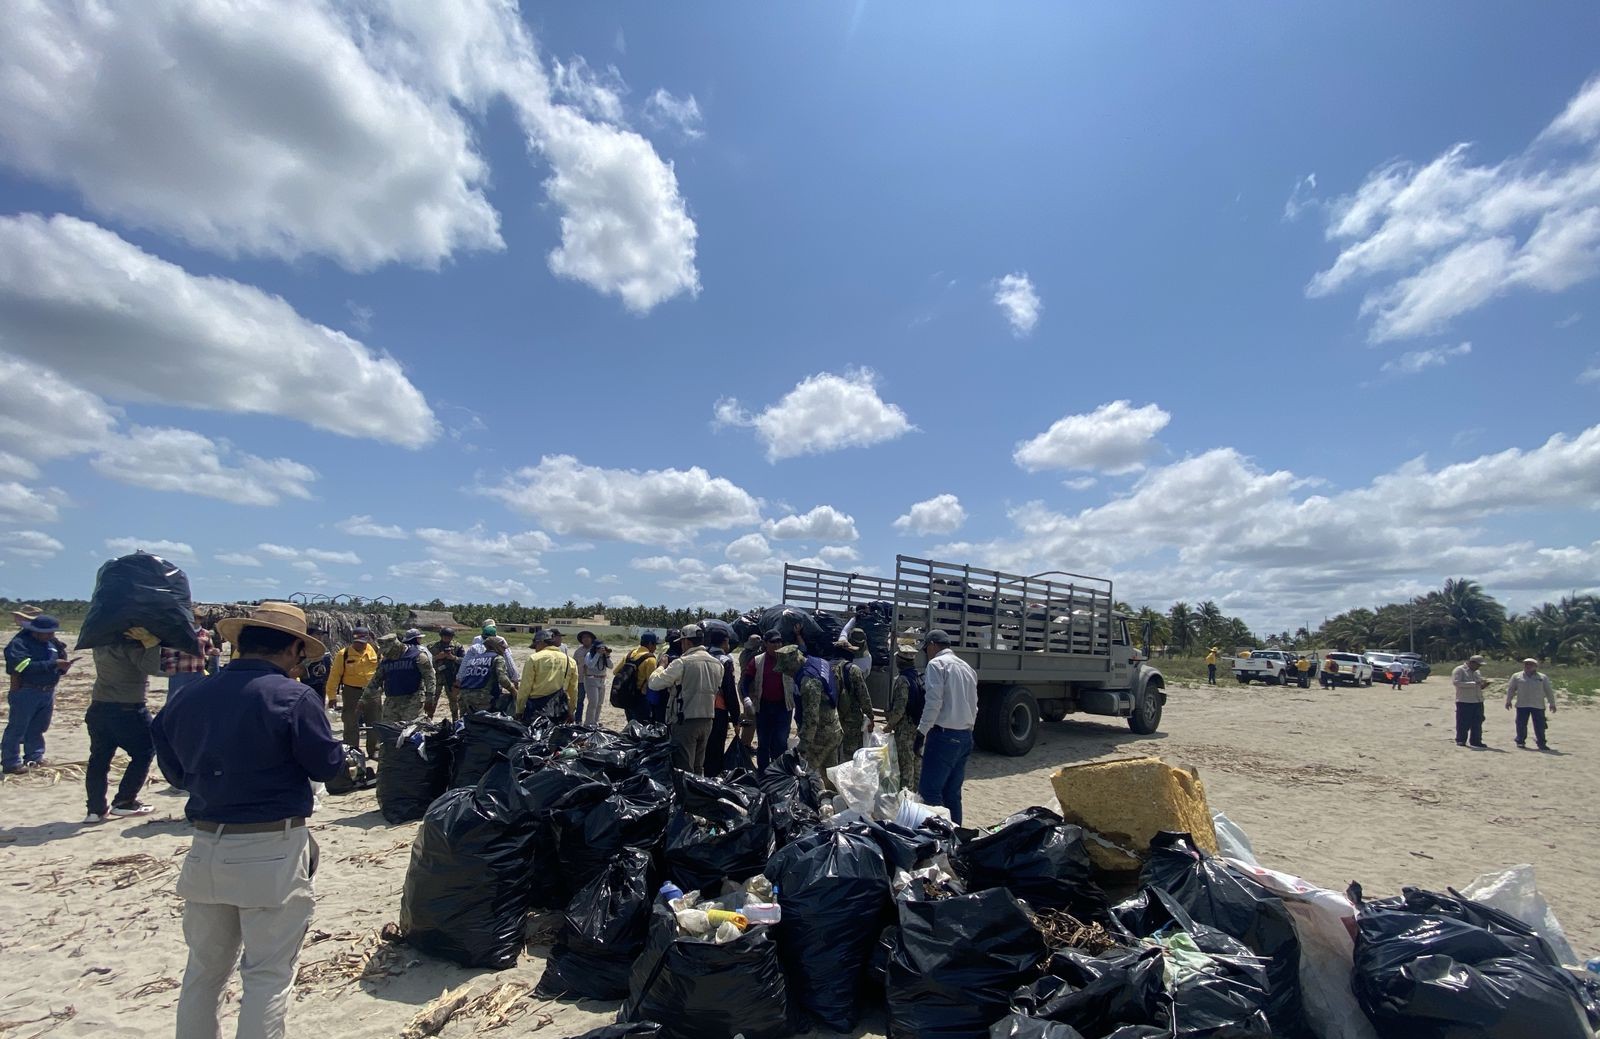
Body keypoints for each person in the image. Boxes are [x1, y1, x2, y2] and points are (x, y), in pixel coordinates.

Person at [150, 601, 344, 1039]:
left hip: (206, 846)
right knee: (267, 974)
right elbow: (327, 767)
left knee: (203, 971)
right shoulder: (294, 698)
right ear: (295, 647)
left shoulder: (189, 695)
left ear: (240, 643)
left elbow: (176, 770)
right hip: (271, 848)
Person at [84, 625, 165, 822]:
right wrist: (152, 645)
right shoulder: (131, 648)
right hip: (128, 708)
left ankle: (95, 809)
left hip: (99, 707)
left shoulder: (100, 646)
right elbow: (151, 668)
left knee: (99, 759)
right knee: (144, 752)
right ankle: (125, 801)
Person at [917, 630, 978, 824]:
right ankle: (957, 838)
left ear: (933, 645)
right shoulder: (967, 667)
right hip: (965, 736)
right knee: (952, 794)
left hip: (943, 736)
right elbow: (974, 704)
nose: (926, 653)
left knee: (930, 791)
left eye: (926, 649)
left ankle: (940, 840)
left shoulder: (936, 664)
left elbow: (934, 701)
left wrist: (921, 732)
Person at [647, 624, 724, 774]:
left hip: (686, 720)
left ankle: (686, 797)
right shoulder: (717, 664)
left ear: (687, 642)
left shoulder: (682, 662)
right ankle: (697, 795)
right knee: (698, 766)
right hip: (707, 719)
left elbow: (654, 683)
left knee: (684, 767)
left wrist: (661, 666)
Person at [3, 614, 72, 774]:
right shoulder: (19, 643)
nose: (51, 636)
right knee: (17, 728)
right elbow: (19, 667)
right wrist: (51, 664)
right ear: (35, 631)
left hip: (47, 691)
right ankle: (11, 762)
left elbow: (60, 658)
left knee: (38, 727)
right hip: (26, 691)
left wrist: (62, 668)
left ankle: (34, 758)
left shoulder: (52, 643)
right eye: (47, 633)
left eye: (53, 633)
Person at [775, 643, 841, 776]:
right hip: (833, 727)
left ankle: (818, 795)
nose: (787, 673)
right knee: (830, 772)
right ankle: (830, 795)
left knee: (807, 776)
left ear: (794, 664)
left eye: (787, 670)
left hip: (820, 738)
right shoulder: (819, 662)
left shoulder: (809, 682)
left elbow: (811, 720)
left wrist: (802, 750)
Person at [363, 630, 435, 741]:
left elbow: (430, 677)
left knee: (410, 731)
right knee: (388, 732)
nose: (386, 654)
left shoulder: (418, 656)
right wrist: (363, 700)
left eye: (388, 651)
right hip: (392, 701)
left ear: (397, 646)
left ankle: (410, 756)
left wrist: (429, 697)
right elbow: (375, 681)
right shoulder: (386, 661)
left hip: (412, 700)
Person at [745, 631, 796, 769]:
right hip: (764, 707)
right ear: (766, 643)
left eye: (779, 641)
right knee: (763, 741)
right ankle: (763, 772)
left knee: (780, 741)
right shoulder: (757, 661)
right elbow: (746, 681)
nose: (777, 645)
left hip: (783, 706)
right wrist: (746, 698)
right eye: (773, 642)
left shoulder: (788, 659)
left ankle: (779, 772)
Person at [325, 627, 379, 751]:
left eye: (362, 642)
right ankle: (352, 750)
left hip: (373, 691)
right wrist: (332, 697)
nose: (359, 645)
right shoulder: (344, 654)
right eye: (357, 642)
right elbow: (334, 677)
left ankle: (373, 749)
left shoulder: (375, 651)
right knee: (350, 722)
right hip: (351, 692)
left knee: (375, 721)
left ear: (367, 640)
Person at [518, 629, 579, 724]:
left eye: (536, 646)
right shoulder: (570, 661)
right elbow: (573, 690)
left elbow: (525, 688)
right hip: (560, 710)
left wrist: (519, 710)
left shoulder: (534, 659)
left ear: (541, 642)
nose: (535, 649)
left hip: (536, 709)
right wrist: (571, 711)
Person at [884, 644, 924, 792]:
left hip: (906, 728)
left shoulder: (902, 680)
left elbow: (899, 708)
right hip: (918, 725)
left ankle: (906, 798)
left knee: (906, 764)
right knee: (916, 761)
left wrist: (889, 725)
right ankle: (916, 795)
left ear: (900, 661)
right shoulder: (919, 677)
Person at [701, 627, 740, 774]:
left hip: (698, 709)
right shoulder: (724, 661)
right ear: (725, 642)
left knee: (701, 749)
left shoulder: (701, 657)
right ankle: (711, 780)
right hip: (718, 710)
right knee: (715, 750)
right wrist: (736, 718)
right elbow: (730, 692)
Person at [834, 629, 873, 759]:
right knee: (850, 754)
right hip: (851, 718)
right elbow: (864, 696)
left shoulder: (827, 667)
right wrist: (870, 716)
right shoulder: (853, 670)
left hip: (832, 717)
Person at [454, 635, 517, 714]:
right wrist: (514, 691)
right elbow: (503, 679)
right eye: (502, 647)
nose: (504, 650)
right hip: (482, 698)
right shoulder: (497, 658)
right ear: (495, 647)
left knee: (466, 722)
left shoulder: (474, 658)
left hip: (463, 697)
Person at [1505, 657, 1557, 750]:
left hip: (1538, 705)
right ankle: (1520, 741)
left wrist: (1552, 703)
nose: (1528, 666)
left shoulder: (1542, 677)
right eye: (1526, 664)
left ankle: (1541, 743)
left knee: (1540, 725)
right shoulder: (1517, 676)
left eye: (1530, 664)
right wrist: (1508, 701)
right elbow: (1511, 689)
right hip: (1522, 704)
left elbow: (1548, 691)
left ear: (1535, 666)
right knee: (1521, 724)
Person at [615, 632, 660, 723]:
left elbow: (616, 672)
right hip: (641, 698)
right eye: (655, 644)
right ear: (650, 644)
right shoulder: (650, 659)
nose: (655, 648)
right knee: (642, 726)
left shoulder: (630, 654)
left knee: (631, 724)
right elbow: (653, 682)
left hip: (627, 696)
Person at [1451, 654, 1492, 748]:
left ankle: (1476, 740)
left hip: (1478, 700)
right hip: (1464, 700)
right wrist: (1474, 683)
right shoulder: (1459, 670)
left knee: (1478, 721)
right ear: (1471, 662)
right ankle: (1461, 740)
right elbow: (1456, 683)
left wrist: (1484, 685)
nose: (1479, 667)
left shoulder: (1477, 672)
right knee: (1463, 721)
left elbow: (1479, 686)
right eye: (1478, 664)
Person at [427, 627, 463, 721]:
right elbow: (425, 661)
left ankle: (455, 721)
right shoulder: (432, 646)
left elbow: (464, 661)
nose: (447, 639)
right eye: (445, 636)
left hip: (451, 677)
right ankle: (429, 719)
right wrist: (437, 657)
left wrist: (453, 658)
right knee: (432, 700)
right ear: (441, 636)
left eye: (449, 637)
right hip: (436, 677)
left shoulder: (457, 646)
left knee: (454, 701)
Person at [575, 631, 609, 726]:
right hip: (581, 679)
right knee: (580, 701)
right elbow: (574, 664)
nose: (586, 639)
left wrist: (605, 655)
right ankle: (578, 721)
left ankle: (593, 721)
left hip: (596, 679)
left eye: (588, 637)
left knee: (597, 702)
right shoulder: (578, 651)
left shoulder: (596, 651)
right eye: (584, 637)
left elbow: (610, 665)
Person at [299, 628, 332, 701]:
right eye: (317, 634)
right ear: (309, 635)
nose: (320, 637)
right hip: (307, 686)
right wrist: (309, 660)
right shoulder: (302, 650)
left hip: (321, 686)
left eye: (321, 635)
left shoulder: (325, 651)